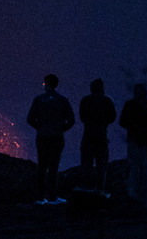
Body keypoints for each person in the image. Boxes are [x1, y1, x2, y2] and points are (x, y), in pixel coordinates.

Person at [27, 73, 75, 205]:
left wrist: (40, 128)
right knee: (54, 167)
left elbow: (30, 118)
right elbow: (71, 119)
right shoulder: (62, 100)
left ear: (46, 84)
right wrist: (60, 129)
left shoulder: (39, 99)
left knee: (42, 166)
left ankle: (40, 197)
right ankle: (53, 197)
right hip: (56, 137)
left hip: (42, 137)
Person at [119, 83, 147, 198]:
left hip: (135, 139)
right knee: (144, 167)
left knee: (135, 167)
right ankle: (144, 192)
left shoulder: (130, 105)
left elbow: (122, 122)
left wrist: (133, 126)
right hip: (144, 139)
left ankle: (134, 192)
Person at [79, 78, 117, 192]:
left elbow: (82, 116)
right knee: (101, 165)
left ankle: (85, 188)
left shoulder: (85, 100)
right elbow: (112, 117)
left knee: (86, 164)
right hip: (101, 136)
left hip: (88, 136)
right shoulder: (107, 101)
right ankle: (100, 189)